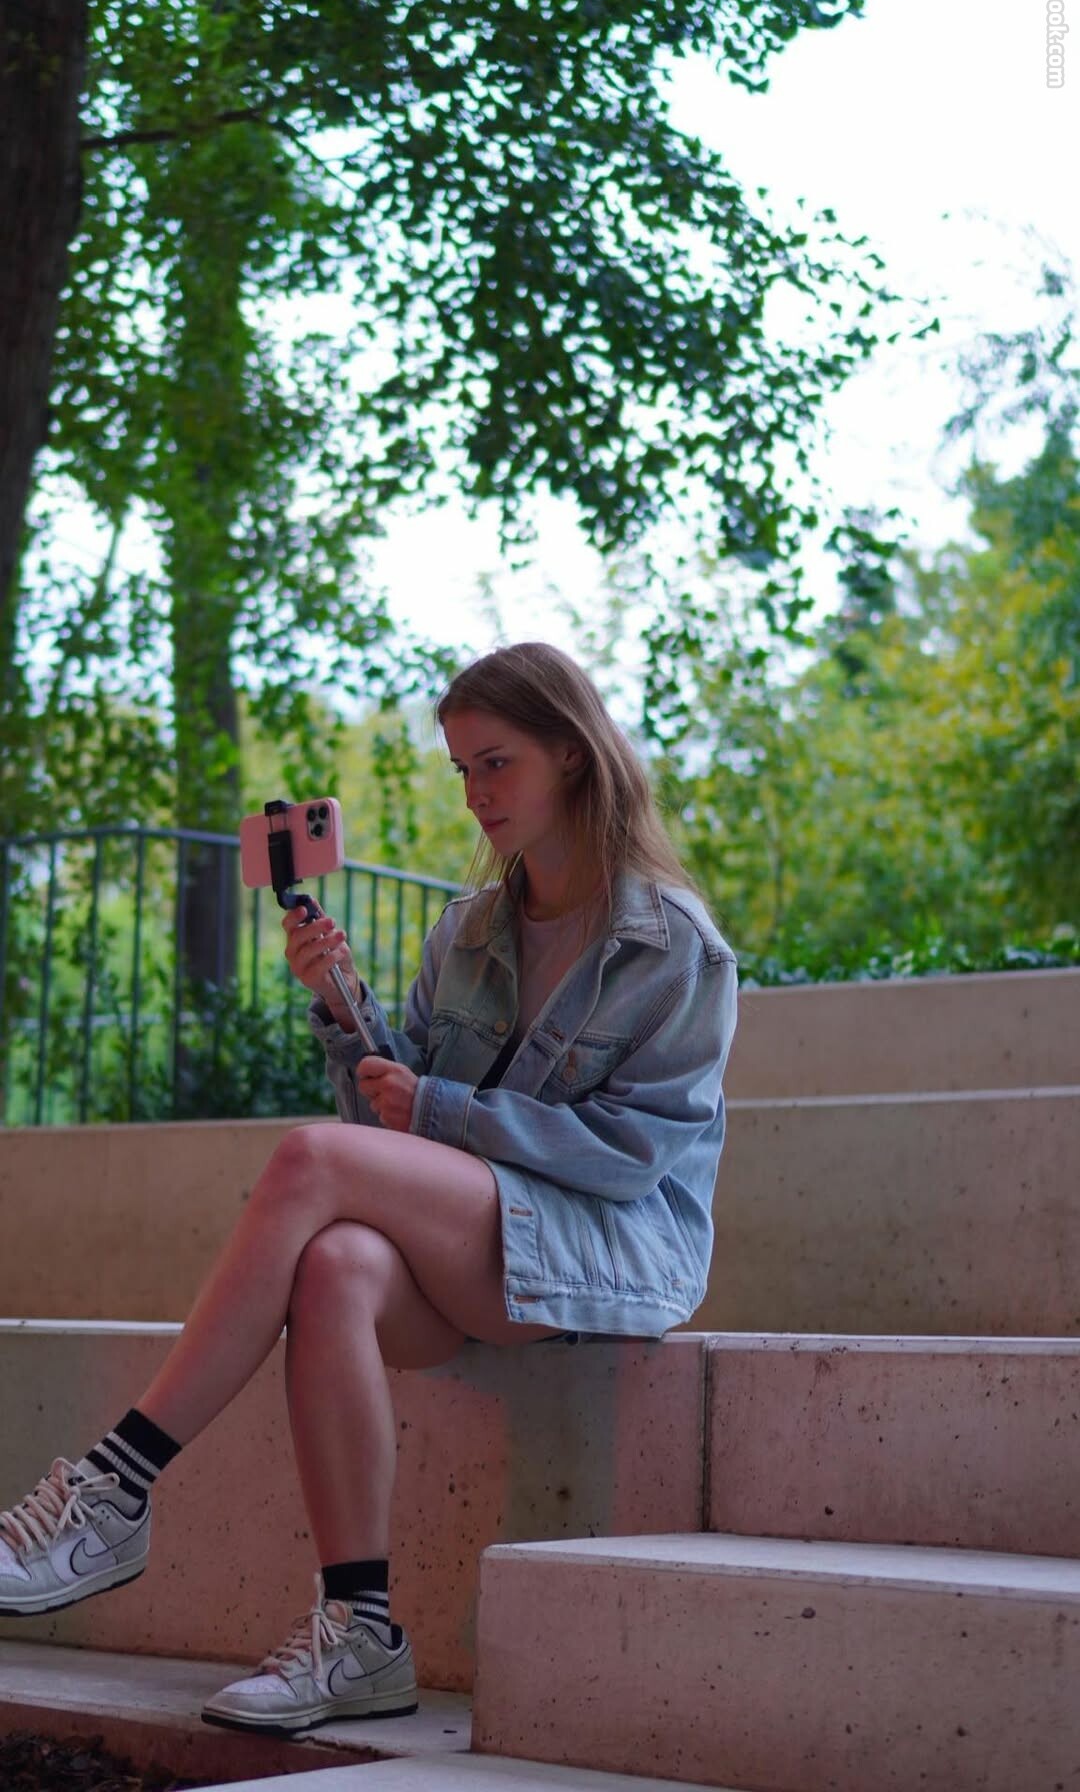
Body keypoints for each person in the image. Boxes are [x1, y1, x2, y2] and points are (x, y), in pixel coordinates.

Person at [0, 640, 738, 1735]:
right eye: (462, 769)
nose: (476, 793)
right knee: (337, 1263)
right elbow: (388, 1134)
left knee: (309, 1162)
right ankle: (361, 1634)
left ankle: (113, 1489)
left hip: (605, 1253)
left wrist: (441, 1109)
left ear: (574, 755)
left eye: (497, 762)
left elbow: (633, 1154)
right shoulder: (468, 931)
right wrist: (348, 1020)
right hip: (483, 1244)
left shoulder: (672, 948)